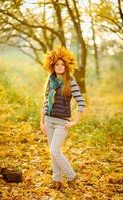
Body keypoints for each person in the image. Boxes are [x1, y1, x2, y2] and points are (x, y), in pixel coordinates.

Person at [40, 47, 85, 190]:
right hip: (48, 121)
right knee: (53, 153)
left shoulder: (70, 82)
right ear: (52, 65)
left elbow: (81, 103)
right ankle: (56, 180)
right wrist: (41, 121)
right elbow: (45, 102)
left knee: (55, 151)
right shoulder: (50, 81)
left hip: (62, 123)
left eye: (62, 64)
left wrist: (75, 121)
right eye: (56, 64)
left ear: (66, 66)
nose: (59, 67)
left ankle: (71, 176)